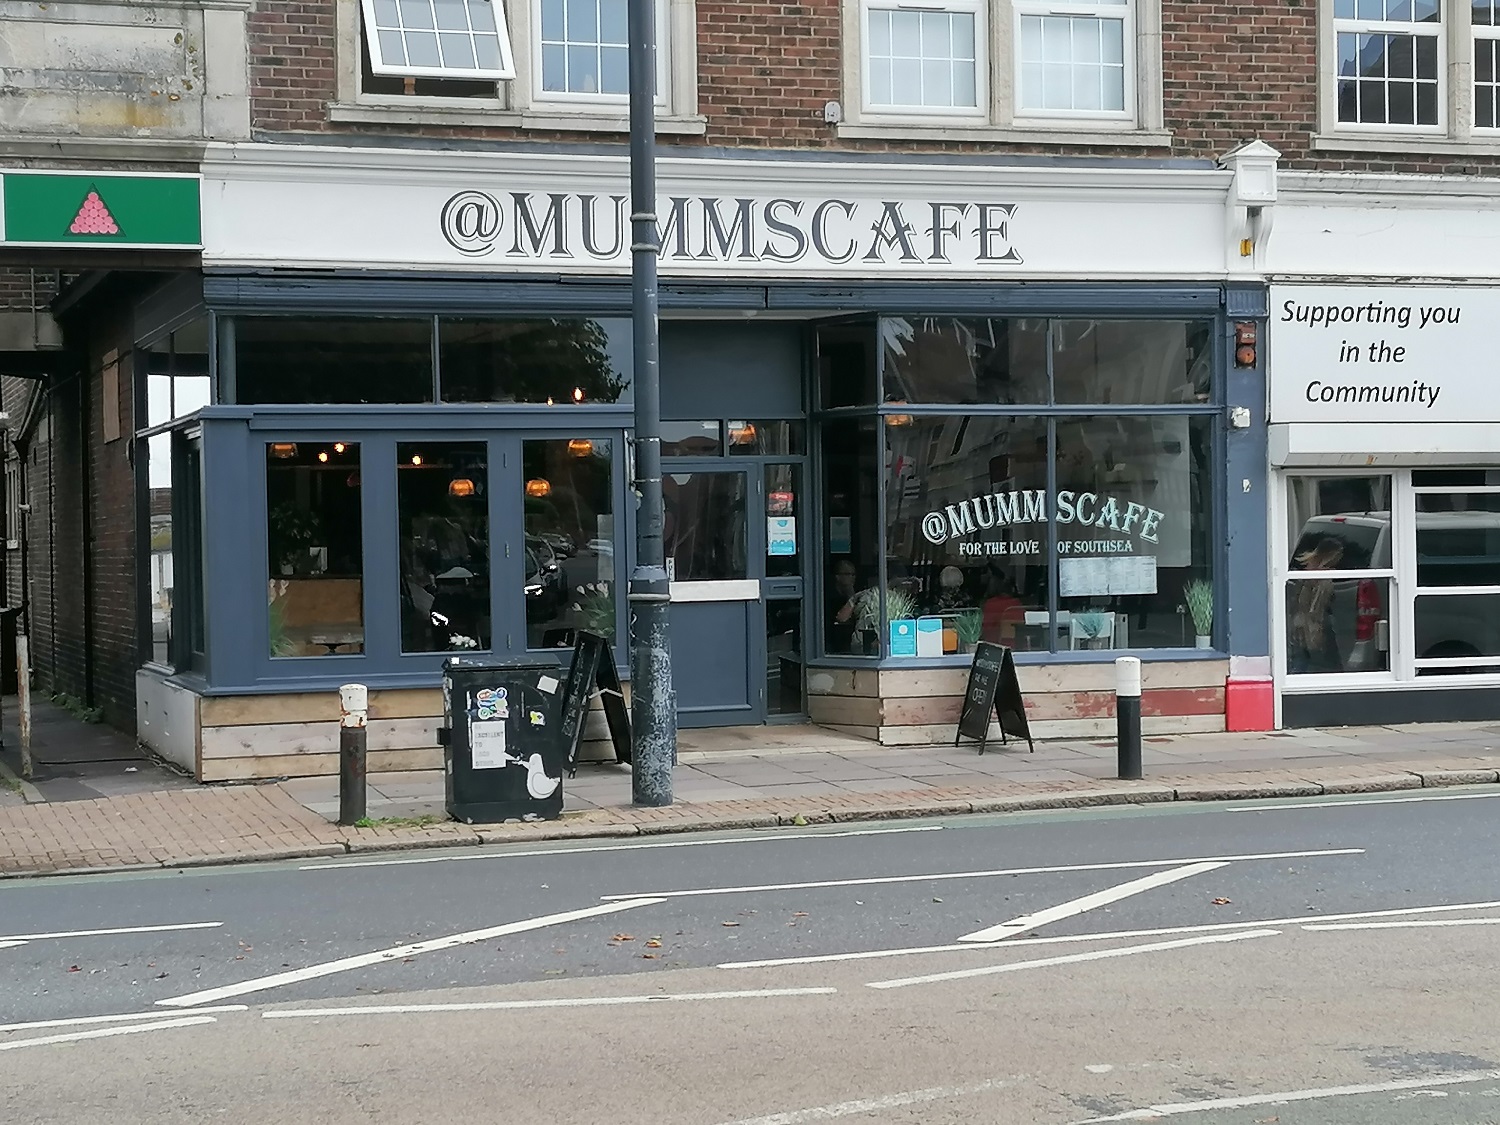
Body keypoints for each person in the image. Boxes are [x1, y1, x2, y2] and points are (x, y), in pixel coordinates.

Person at [1288, 537, 1344, 673]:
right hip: (1312, 626)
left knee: (1302, 660)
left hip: (1301, 625)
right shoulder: (1322, 578)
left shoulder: (1308, 570)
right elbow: (1316, 607)